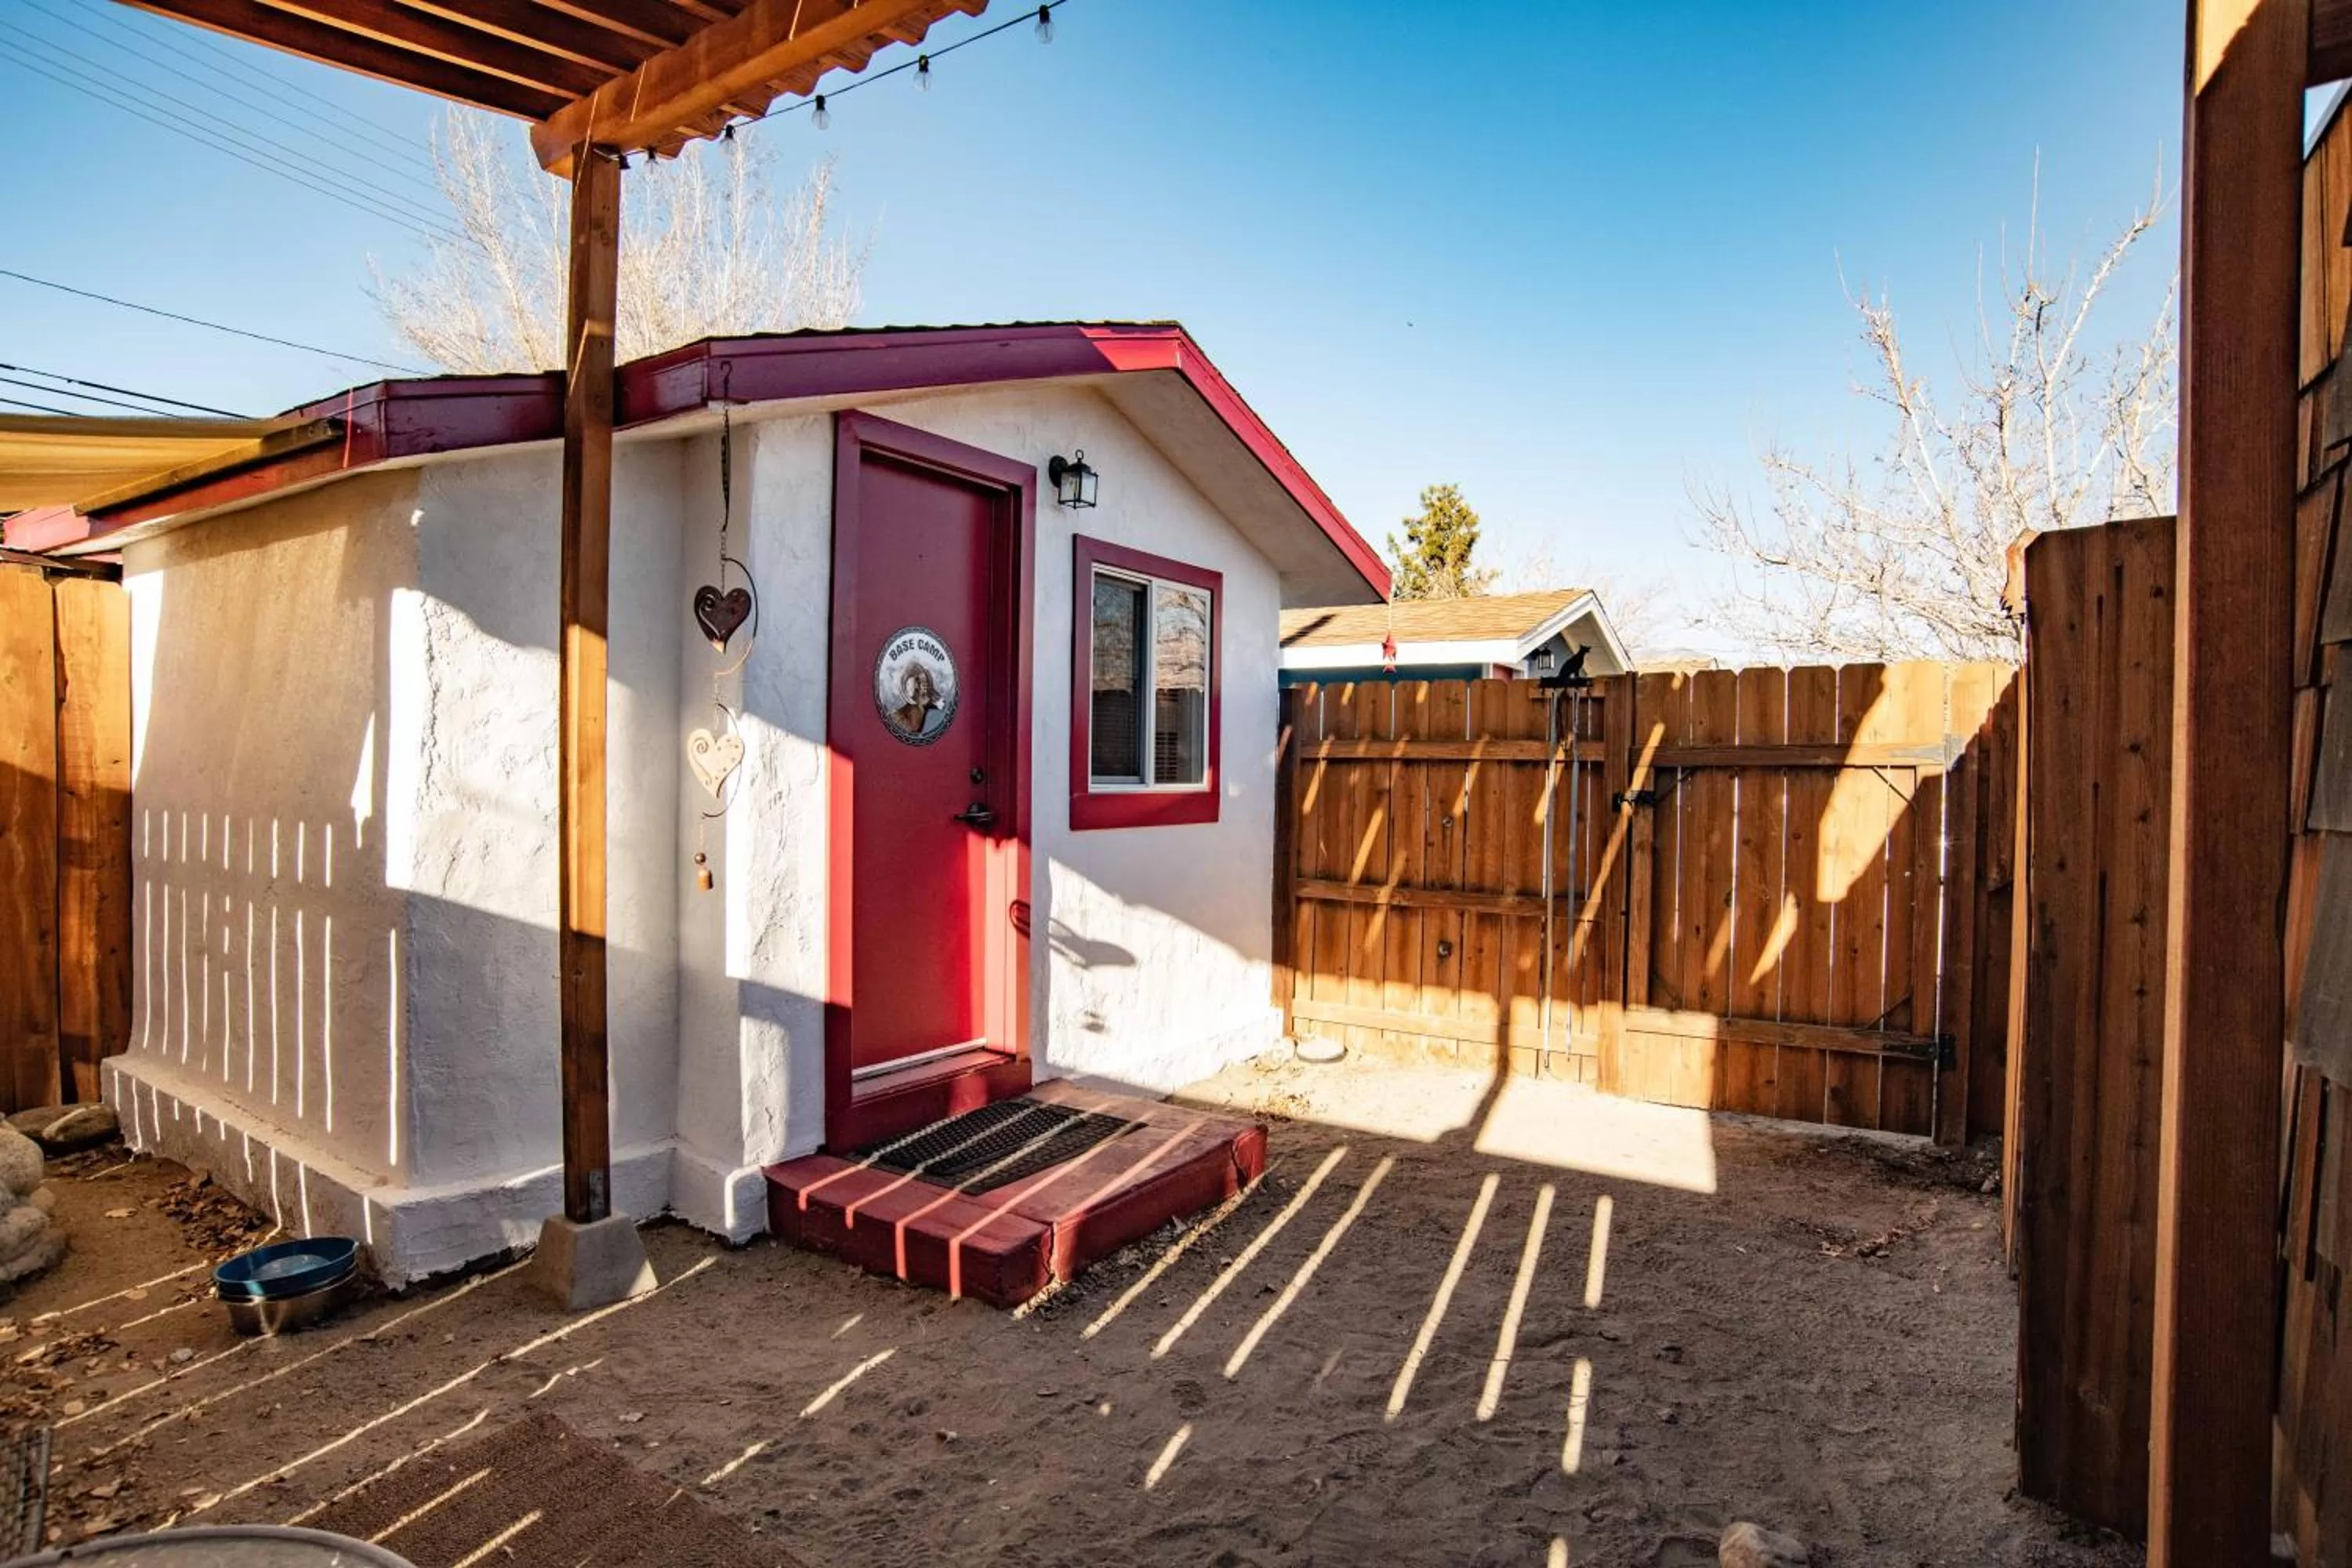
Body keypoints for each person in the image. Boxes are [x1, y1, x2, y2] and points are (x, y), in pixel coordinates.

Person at [891, 659, 944, 739]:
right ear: (915, 684)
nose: (924, 684)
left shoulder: (933, 707)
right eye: (921, 681)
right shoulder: (900, 714)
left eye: (925, 681)